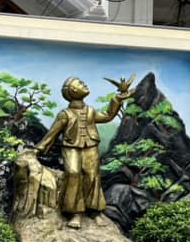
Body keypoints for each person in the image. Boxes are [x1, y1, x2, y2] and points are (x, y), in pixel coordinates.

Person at [34, 75, 134, 228]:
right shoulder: (65, 114)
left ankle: (95, 211)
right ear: (73, 90)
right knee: (73, 174)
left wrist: (117, 99)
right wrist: (38, 149)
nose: (84, 84)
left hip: (90, 146)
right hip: (71, 147)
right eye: (80, 83)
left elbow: (107, 116)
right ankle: (76, 213)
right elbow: (52, 134)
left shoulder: (90, 111)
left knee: (92, 175)